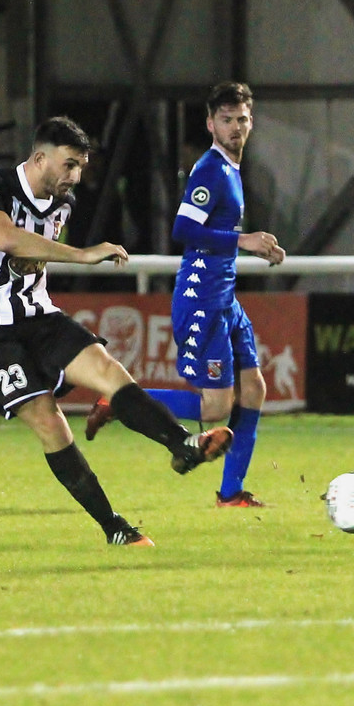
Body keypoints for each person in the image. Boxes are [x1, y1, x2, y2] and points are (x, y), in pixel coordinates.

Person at [0, 116, 235, 546]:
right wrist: (83, 256)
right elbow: (6, 239)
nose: (75, 177)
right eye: (68, 165)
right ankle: (114, 526)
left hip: (37, 315)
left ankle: (183, 445)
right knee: (51, 423)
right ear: (40, 157)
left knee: (110, 371)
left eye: (80, 167)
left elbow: (29, 260)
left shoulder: (64, 204)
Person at [85, 81, 286, 508]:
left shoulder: (231, 169)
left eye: (242, 119)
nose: (236, 127)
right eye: (227, 120)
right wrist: (244, 240)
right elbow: (184, 229)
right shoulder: (211, 169)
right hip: (202, 300)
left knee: (254, 391)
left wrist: (250, 244)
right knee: (214, 410)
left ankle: (230, 494)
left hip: (225, 298)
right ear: (211, 123)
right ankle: (120, 401)